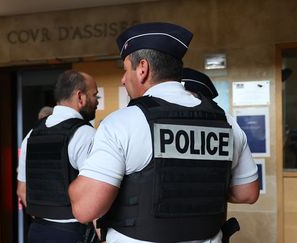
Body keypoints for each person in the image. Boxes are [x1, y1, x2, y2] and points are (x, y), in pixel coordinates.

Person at [68, 22, 259, 243]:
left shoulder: (122, 123)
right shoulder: (227, 123)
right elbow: (247, 193)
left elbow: (85, 209)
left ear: (142, 69)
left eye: (125, 69)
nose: (123, 79)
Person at [17, 70, 99, 243]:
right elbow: (96, 198)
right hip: (73, 234)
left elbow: (22, 191)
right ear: (80, 97)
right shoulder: (86, 134)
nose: (96, 102)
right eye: (94, 95)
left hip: (37, 232)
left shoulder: (32, 134)